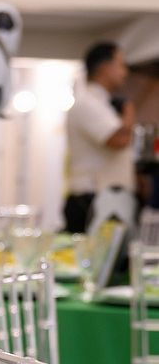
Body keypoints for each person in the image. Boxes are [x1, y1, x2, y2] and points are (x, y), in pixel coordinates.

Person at [64, 41, 136, 234]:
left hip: (103, 198)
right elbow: (119, 140)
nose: (125, 72)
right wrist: (129, 110)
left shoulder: (101, 104)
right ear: (105, 67)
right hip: (92, 201)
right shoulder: (87, 103)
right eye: (121, 65)